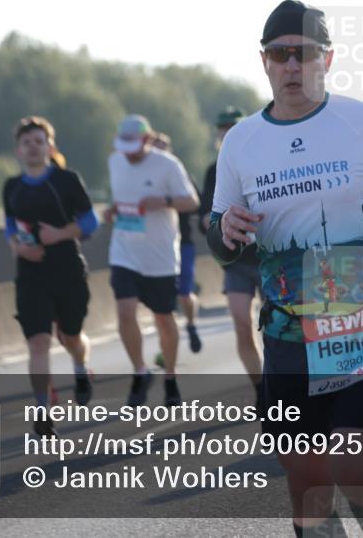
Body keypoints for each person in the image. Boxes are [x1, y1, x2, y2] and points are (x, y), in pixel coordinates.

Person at [208, 0, 363, 538]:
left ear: (328, 58)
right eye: (280, 55)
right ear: (264, 62)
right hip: (286, 330)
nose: (292, 66)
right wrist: (224, 230)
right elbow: (222, 242)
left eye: (304, 54)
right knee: (307, 480)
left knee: (355, 466)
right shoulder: (242, 142)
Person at [2, 118, 99, 436]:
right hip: (30, 274)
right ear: (18, 150)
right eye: (26, 141)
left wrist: (59, 233)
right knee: (38, 343)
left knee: (70, 337)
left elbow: (89, 223)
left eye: (39, 141)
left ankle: (80, 367)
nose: (32, 146)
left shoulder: (67, 180)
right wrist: (18, 247)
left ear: (50, 147)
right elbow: (9, 227)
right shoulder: (11, 188)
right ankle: (42, 411)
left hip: (67, 269)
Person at [104, 114, 199, 407]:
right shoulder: (114, 162)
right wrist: (112, 210)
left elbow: (192, 201)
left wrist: (165, 202)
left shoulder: (167, 165)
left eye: (133, 146)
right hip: (124, 250)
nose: (127, 153)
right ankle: (140, 371)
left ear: (146, 140)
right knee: (124, 312)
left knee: (163, 319)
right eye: (124, 146)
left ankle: (170, 376)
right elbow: (123, 198)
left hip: (159, 256)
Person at [199, 106, 266, 403]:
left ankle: (284, 386)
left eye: (233, 127)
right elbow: (205, 217)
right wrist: (220, 222)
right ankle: (261, 389)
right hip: (236, 260)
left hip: (268, 257)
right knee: (241, 322)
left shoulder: (264, 160)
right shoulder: (213, 171)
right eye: (222, 128)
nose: (227, 132)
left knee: (277, 328)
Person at [150, 132, 203, 361]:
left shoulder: (180, 174)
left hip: (183, 243)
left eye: (163, 147)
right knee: (161, 304)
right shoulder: (146, 177)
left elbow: (196, 204)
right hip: (155, 247)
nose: (160, 151)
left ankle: (191, 325)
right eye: (155, 147)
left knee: (184, 292)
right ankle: (167, 350)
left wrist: (170, 202)